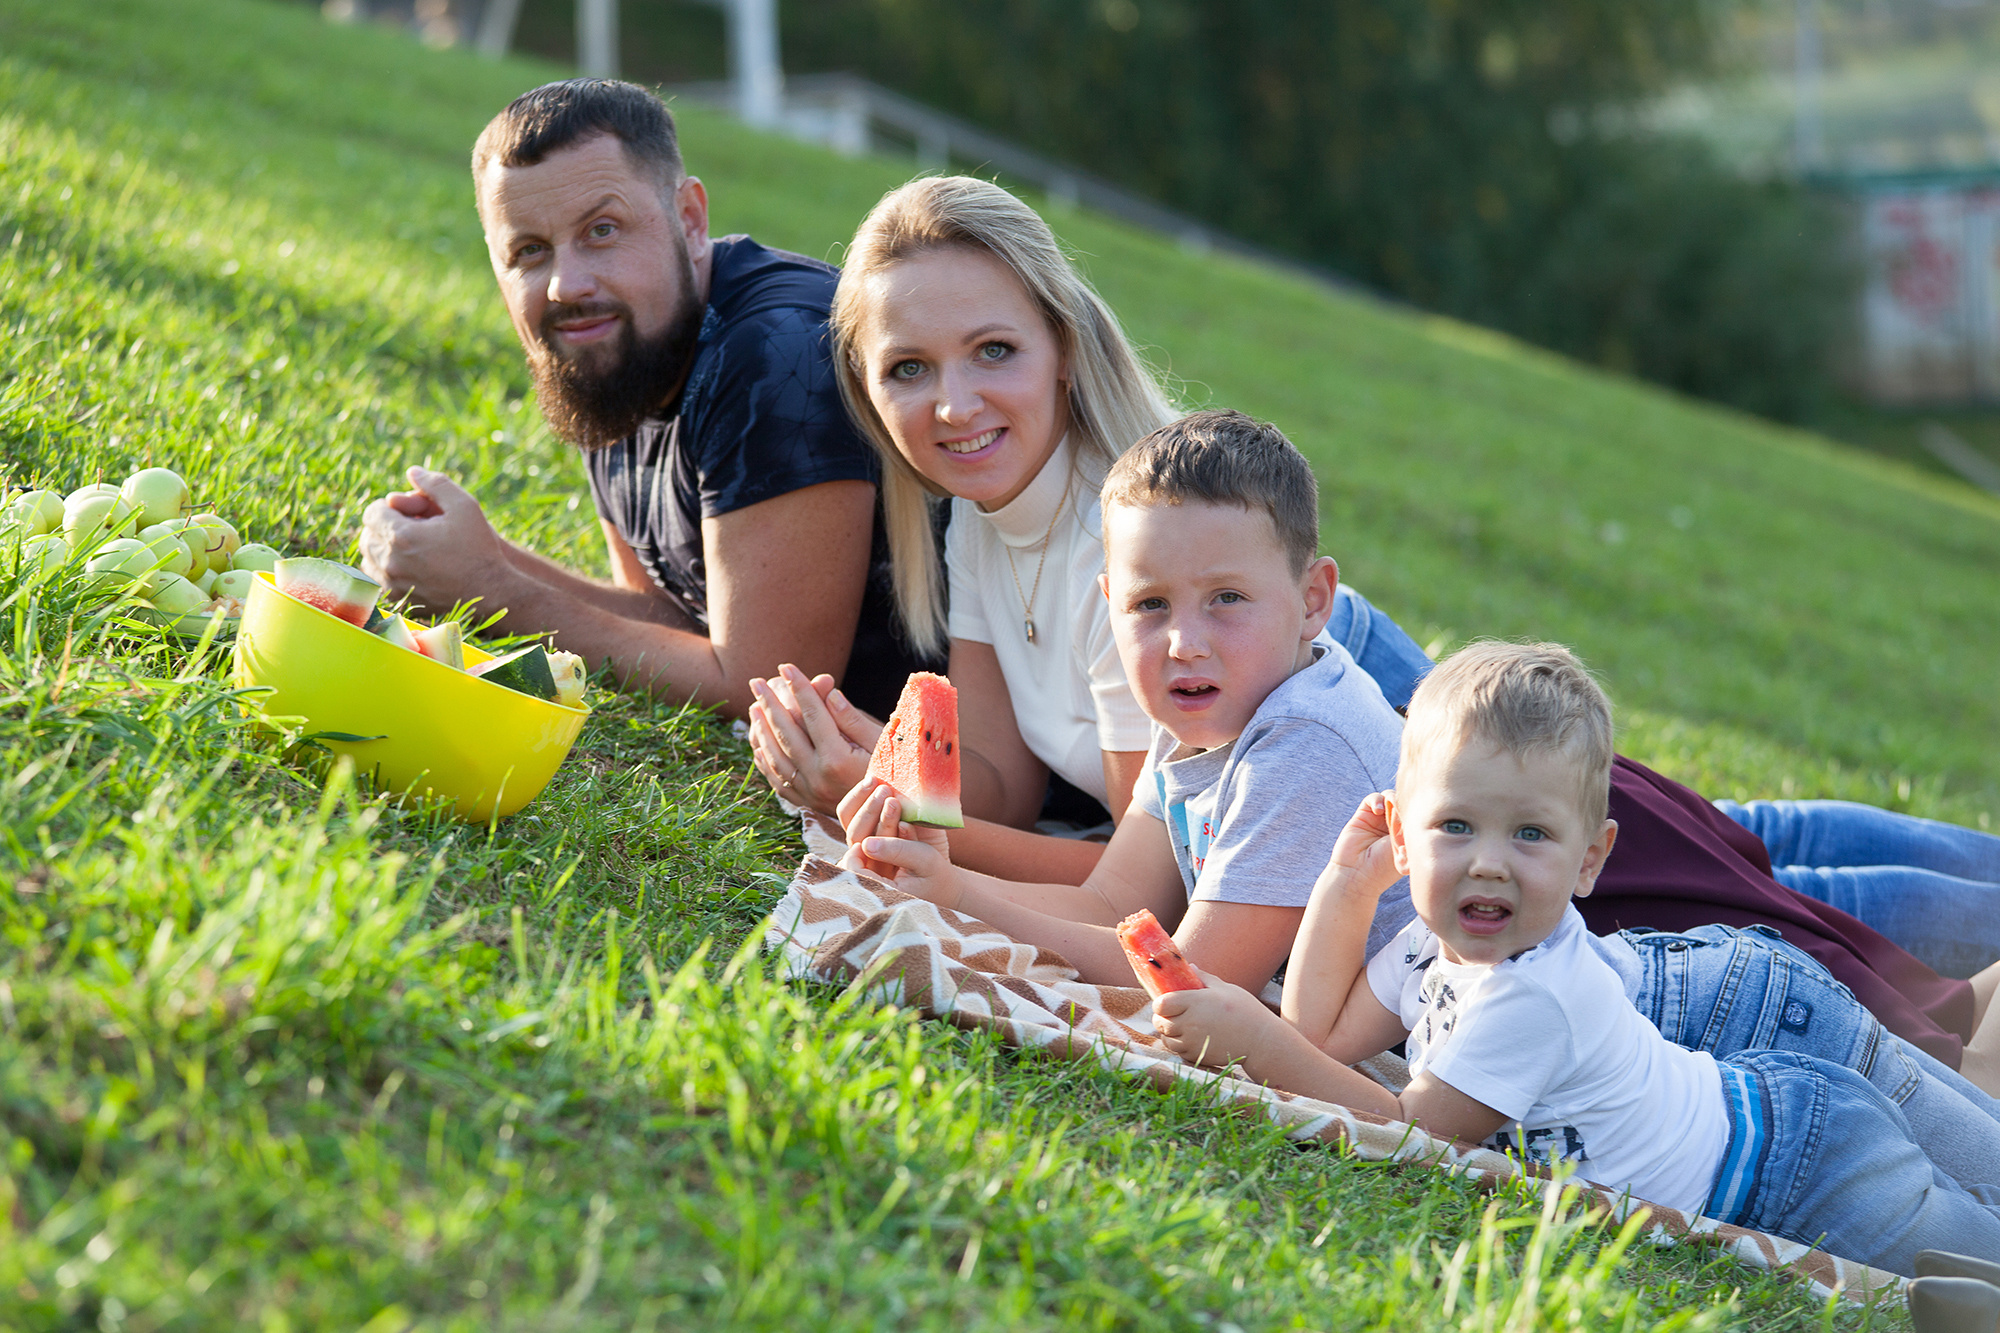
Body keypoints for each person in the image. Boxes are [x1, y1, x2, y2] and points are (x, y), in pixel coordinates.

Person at [842, 411, 2000, 1101]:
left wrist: (948, 897)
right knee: (1903, 990)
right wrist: (935, 871)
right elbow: (1109, 896)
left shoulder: (1293, 743)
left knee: (1933, 1047)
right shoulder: (1206, 718)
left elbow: (1168, 968)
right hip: (1556, 936)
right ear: (1109, 607)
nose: (1181, 639)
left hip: (1639, 965)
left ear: (1312, 601)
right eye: (1146, 605)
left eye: (1224, 600)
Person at [1152, 640, 1999, 1277]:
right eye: (1456, 826)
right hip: (1772, 1096)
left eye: (1531, 834)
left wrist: (1251, 1043)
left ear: (1590, 860)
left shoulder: (1533, 992)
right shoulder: (1428, 946)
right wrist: (1344, 884)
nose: (1489, 861)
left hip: (1805, 1168)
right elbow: (1321, 1038)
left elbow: (1410, 1136)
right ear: (1403, 836)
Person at [354, 79, 930, 719]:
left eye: (602, 230)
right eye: (529, 252)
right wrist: (478, 560)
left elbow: (766, 686)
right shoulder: (615, 347)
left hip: (1001, 785)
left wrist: (491, 589)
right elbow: (674, 620)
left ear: (689, 219)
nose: (566, 285)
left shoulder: (781, 351)